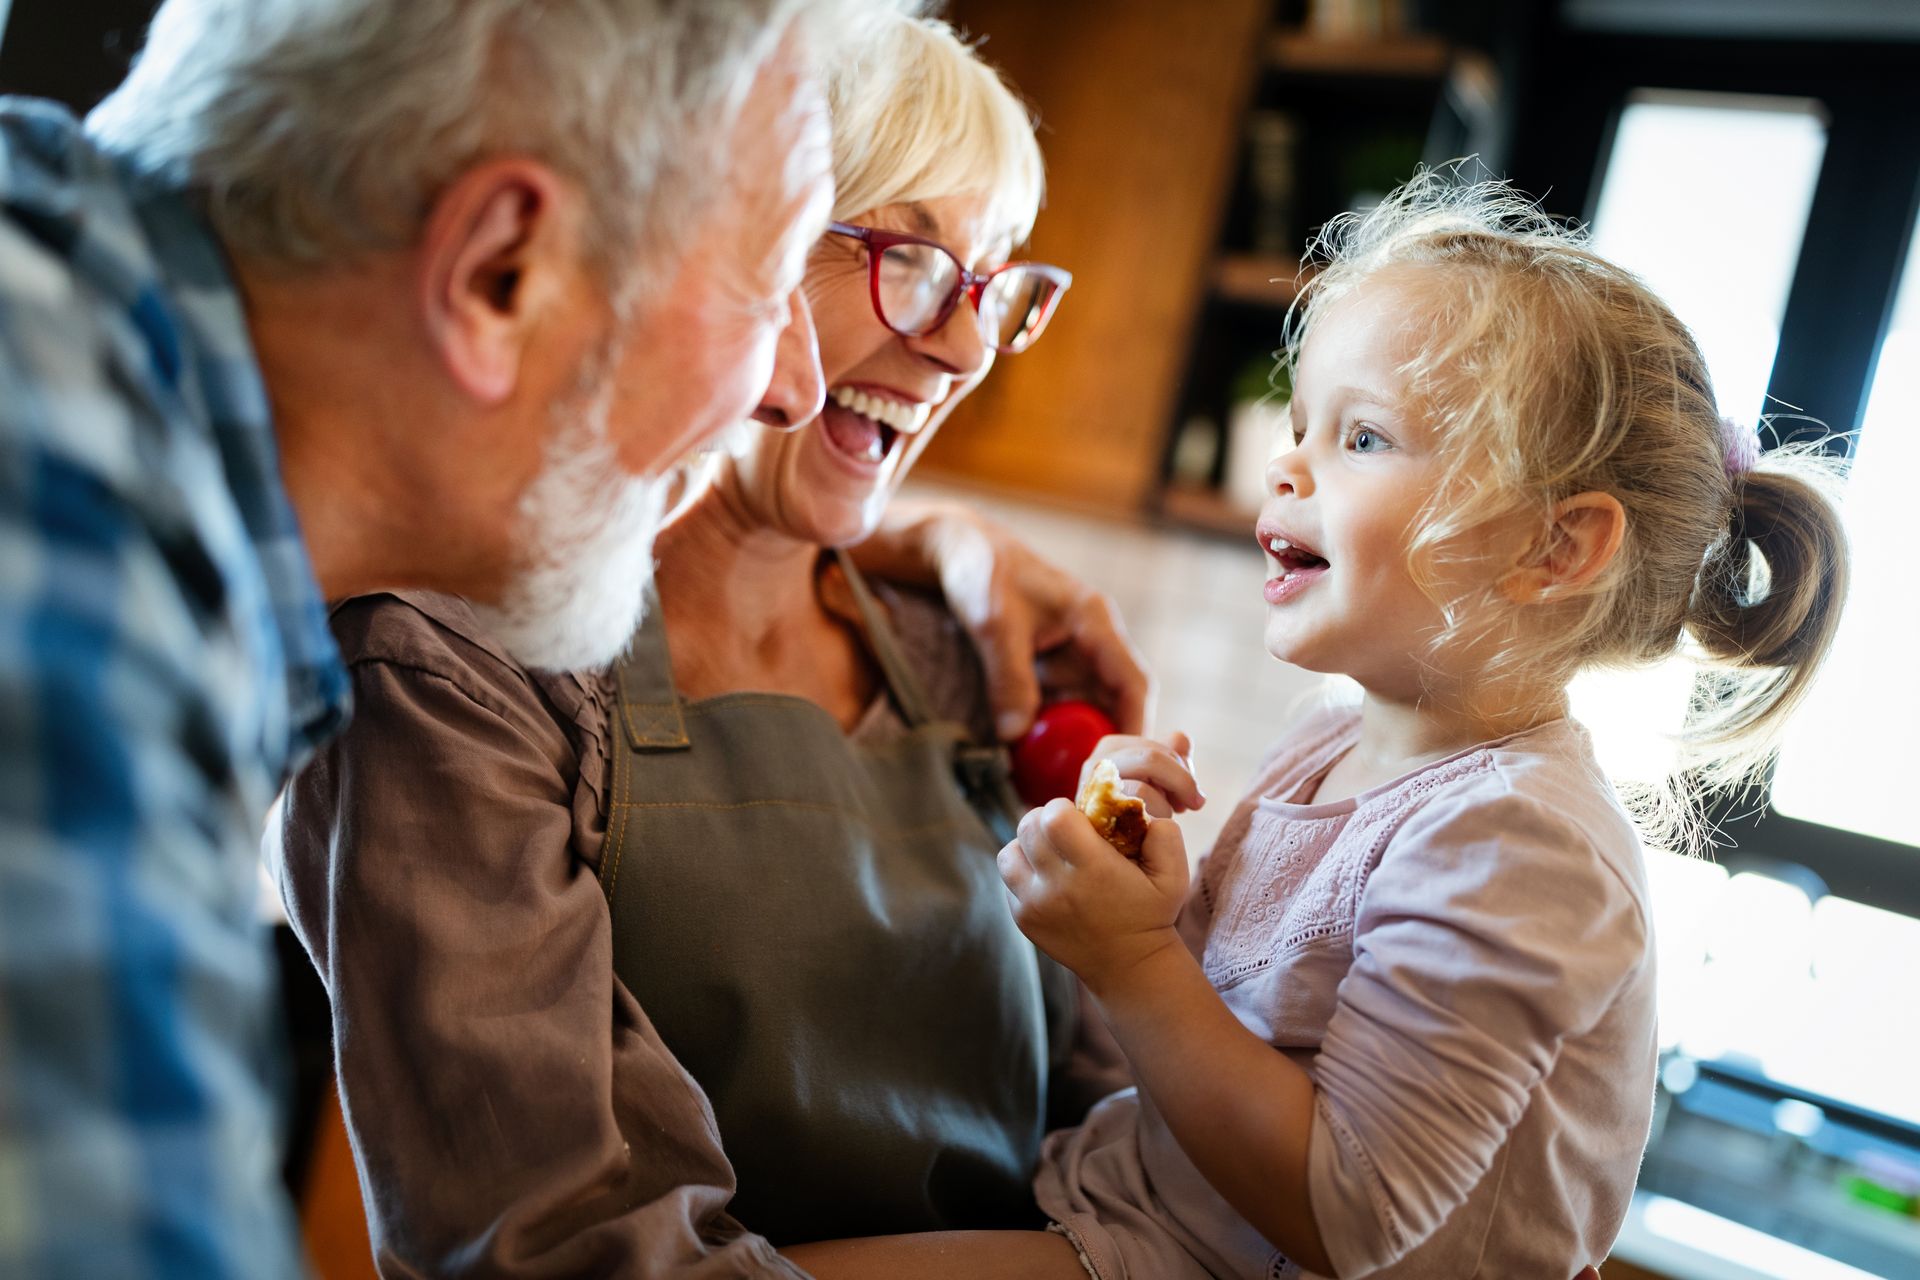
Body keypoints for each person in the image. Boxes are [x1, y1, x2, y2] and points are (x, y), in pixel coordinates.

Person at [0, 1, 1138, 1275]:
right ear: (502, 273)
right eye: (765, 282)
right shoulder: (64, 535)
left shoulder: (102, 387)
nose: (788, 384)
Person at [786, 176, 1851, 1279]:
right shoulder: (1329, 737)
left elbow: (1347, 1209)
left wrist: (1135, 958)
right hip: (1129, 1216)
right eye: (1302, 423)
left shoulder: (1524, 843)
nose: (1286, 462)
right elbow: (1229, 1034)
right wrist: (1145, 895)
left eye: (1364, 436)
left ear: (1556, 549)